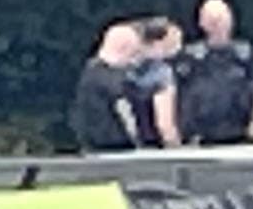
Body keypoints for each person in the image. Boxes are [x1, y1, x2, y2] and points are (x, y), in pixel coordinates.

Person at [175, 0, 253, 145]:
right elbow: (179, 96)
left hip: (239, 133)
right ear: (201, 23)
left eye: (222, 18)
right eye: (212, 19)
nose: (217, 24)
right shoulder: (190, 57)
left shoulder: (245, 54)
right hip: (199, 137)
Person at [67, 22, 145, 153]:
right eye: (134, 52)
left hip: (93, 147)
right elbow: (126, 115)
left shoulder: (89, 72)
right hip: (114, 149)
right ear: (124, 48)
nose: (135, 60)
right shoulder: (112, 81)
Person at [129, 16, 186, 149]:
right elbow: (164, 123)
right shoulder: (161, 73)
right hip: (154, 149)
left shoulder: (123, 68)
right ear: (159, 42)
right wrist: (176, 147)